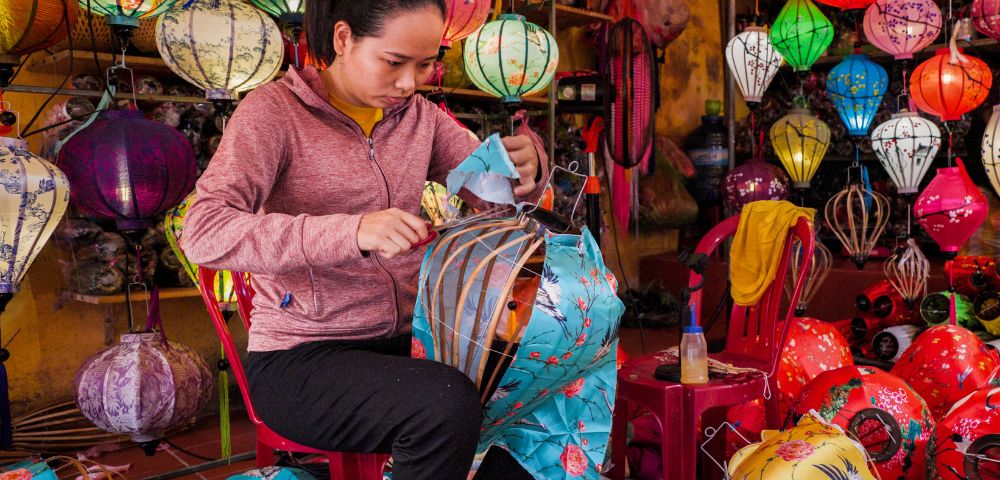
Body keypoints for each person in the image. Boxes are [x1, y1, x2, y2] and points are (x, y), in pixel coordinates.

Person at [181, 0, 545, 478]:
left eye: (424, 64)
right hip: (302, 357)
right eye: (394, 62)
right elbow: (204, 230)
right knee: (443, 406)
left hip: (411, 339)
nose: (409, 83)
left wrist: (526, 170)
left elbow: (497, 205)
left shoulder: (420, 118)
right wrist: (351, 231)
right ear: (343, 39)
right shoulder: (273, 113)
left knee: (533, 380)